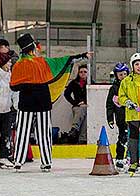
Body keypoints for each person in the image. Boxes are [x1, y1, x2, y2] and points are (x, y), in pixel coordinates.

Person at [9, 33, 91, 172]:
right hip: (43, 101)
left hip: (26, 102)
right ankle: (46, 162)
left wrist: (27, 85)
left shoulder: (18, 65)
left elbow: (13, 86)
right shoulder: (43, 62)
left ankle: (18, 161)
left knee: (23, 131)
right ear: (33, 48)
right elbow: (63, 62)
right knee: (44, 132)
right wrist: (83, 55)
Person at [106, 62, 129, 169]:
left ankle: (133, 159)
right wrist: (110, 118)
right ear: (116, 76)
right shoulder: (114, 89)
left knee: (133, 139)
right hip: (121, 118)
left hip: (133, 117)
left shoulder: (132, 87)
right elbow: (109, 105)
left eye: (125, 74)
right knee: (122, 137)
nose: (123, 76)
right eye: (120, 74)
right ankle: (119, 158)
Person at [63, 65, 90, 144]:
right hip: (77, 106)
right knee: (82, 110)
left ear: (88, 73)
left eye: (85, 72)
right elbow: (66, 94)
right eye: (81, 72)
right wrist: (75, 103)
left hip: (87, 106)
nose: (83, 74)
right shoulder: (74, 83)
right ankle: (81, 136)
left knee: (85, 113)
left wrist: (85, 102)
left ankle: (76, 130)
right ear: (78, 73)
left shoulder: (90, 83)